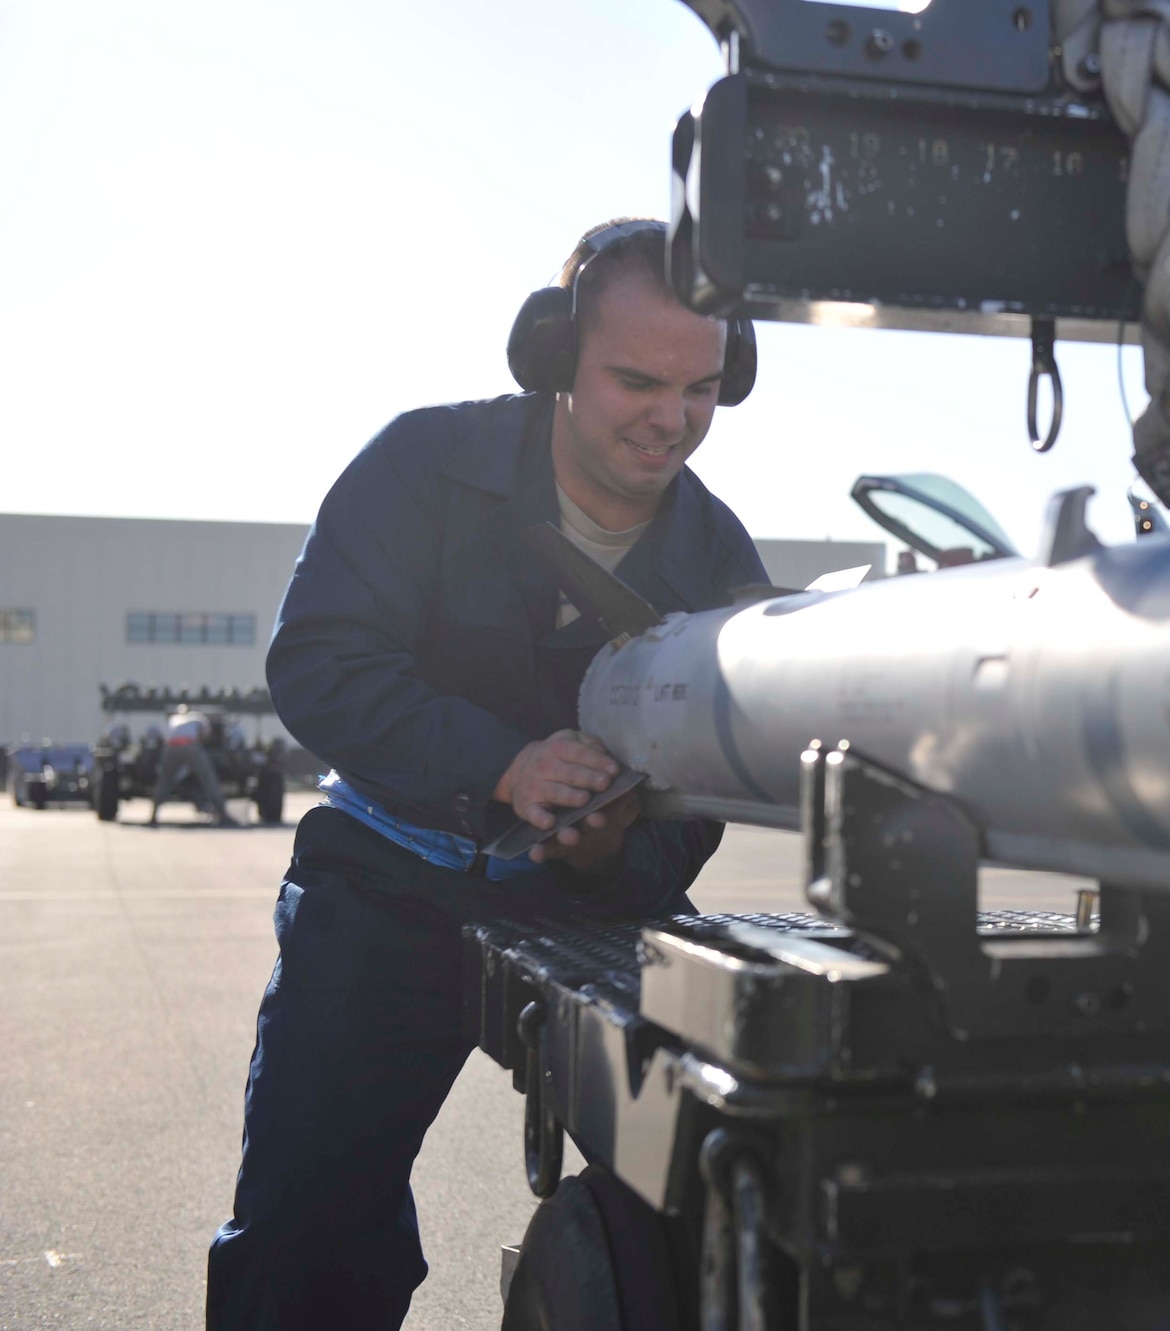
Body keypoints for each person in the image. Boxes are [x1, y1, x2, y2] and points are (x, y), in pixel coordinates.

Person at [207, 219, 766, 1330]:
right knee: (308, 1230)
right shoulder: (422, 467)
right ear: (554, 358)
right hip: (388, 879)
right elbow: (318, 662)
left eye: (702, 387)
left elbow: (703, 795)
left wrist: (612, 854)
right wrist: (502, 765)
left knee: (710, 1203)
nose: (671, 419)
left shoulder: (718, 561)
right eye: (636, 381)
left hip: (591, 908)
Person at [147, 706, 237, 826]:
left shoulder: (175, 718)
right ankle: (223, 815)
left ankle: (153, 815)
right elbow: (204, 734)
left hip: (171, 746)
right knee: (208, 778)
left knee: (165, 780)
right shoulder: (199, 717)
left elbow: (165, 736)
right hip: (189, 745)